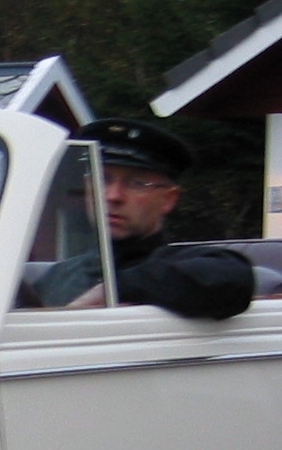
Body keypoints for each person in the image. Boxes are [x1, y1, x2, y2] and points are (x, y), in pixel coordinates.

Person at [27, 118, 255, 320]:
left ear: (168, 199)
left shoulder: (182, 266)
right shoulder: (58, 276)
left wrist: (116, 288)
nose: (113, 196)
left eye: (136, 183)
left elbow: (232, 280)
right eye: (103, 179)